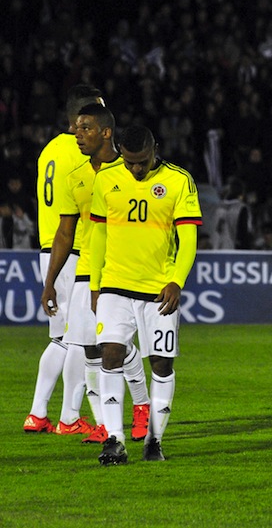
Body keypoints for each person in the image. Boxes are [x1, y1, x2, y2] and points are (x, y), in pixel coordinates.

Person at [90, 125, 202, 464]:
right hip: (115, 284)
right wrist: (95, 284)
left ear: (156, 149)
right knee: (110, 355)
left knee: (161, 363)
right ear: (121, 151)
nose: (136, 169)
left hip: (158, 290)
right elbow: (98, 235)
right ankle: (114, 439)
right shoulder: (106, 179)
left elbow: (188, 240)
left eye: (142, 162)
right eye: (129, 162)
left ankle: (154, 439)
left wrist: (177, 281)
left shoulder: (179, 180)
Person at [40, 103, 151, 444]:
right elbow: (64, 233)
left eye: (85, 128)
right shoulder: (76, 179)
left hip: (121, 270)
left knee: (111, 346)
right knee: (89, 349)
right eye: (76, 127)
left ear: (106, 132)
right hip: (86, 270)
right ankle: (106, 422)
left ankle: (142, 408)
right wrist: (50, 284)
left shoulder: (130, 169)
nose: (77, 133)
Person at [23, 85, 101, 434]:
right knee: (81, 339)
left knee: (60, 338)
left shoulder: (49, 150)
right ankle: (69, 417)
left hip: (48, 249)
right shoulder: (83, 151)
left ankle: (38, 414)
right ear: (81, 118)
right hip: (73, 249)